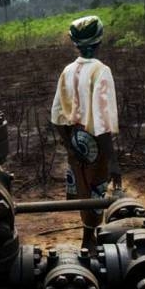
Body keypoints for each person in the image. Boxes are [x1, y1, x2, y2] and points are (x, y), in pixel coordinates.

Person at [50, 15, 121, 252]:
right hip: (94, 143)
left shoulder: (67, 71)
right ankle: (89, 242)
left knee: (83, 189)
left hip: (75, 140)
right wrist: (112, 161)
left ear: (76, 44)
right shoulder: (102, 71)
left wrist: (70, 147)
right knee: (97, 192)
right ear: (99, 41)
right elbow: (102, 121)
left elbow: (57, 114)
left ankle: (87, 237)